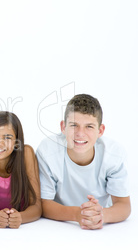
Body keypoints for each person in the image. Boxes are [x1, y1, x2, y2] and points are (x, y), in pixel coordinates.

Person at [36, 94, 131, 229]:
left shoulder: (113, 155)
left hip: (101, 219)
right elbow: (43, 203)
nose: (80, 133)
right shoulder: (47, 151)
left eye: (89, 126)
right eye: (74, 125)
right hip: (58, 226)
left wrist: (101, 215)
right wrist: (76, 214)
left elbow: (124, 205)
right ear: (63, 127)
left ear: (100, 130)